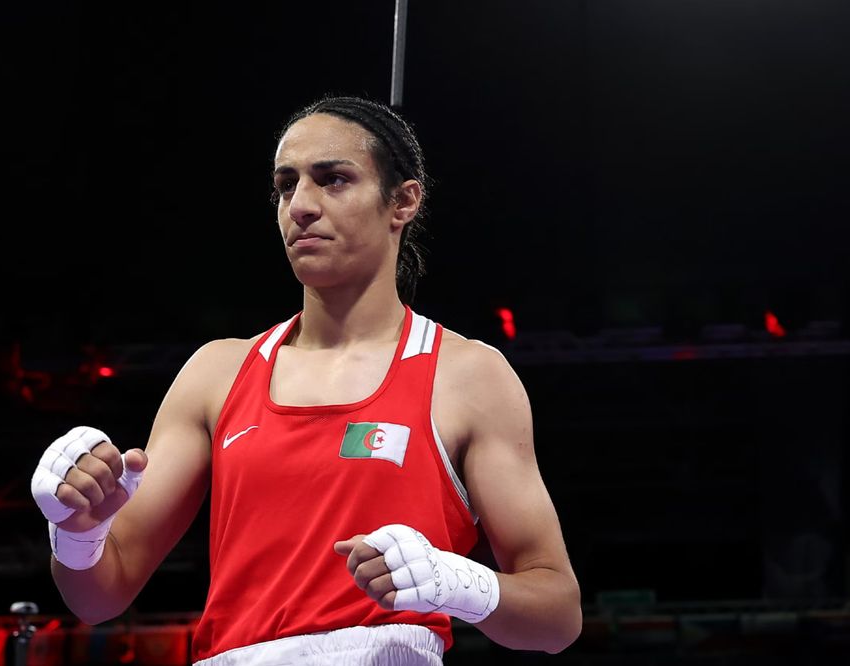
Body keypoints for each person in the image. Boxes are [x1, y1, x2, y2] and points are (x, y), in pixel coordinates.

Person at [31, 94, 582, 665]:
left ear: (403, 201)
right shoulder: (216, 374)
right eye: (286, 185)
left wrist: (456, 582)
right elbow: (99, 595)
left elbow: (558, 616)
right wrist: (78, 531)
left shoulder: (466, 377)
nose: (300, 206)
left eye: (333, 179)